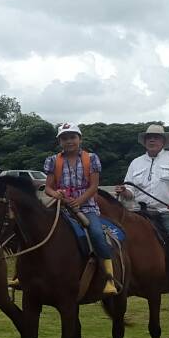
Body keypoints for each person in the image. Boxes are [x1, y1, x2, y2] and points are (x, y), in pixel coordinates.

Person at [116, 124, 169, 303]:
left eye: (156, 137)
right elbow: (131, 192)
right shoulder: (136, 163)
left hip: (166, 212)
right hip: (139, 212)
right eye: (149, 137)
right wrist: (123, 191)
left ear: (164, 141)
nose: (152, 139)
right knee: (116, 237)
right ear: (144, 141)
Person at [43, 123, 116, 295]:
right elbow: (48, 187)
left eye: (72, 137)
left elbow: (94, 186)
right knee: (34, 227)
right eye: (65, 138)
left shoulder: (91, 158)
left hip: (87, 206)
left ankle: (109, 277)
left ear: (80, 139)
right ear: (60, 141)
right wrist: (56, 194)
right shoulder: (53, 160)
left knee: (97, 233)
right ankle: (20, 275)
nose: (69, 141)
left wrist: (79, 201)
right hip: (61, 205)